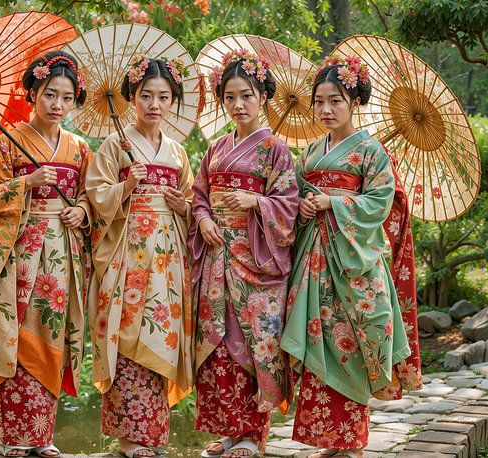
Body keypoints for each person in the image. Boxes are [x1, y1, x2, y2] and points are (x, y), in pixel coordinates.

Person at [0, 50, 92, 457]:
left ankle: (41, 436)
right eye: (50, 94)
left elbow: (90, 200)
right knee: (9, 336)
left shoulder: (80, 149)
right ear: (33, 93)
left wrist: (80, 209)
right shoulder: (6, 142)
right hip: (14, 255)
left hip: (60, 255)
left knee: (51, 335)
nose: (58, 105)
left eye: (67, 97)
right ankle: (5, 437)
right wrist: (27, 182)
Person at [280, 55, 422, 458]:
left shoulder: (372, 151)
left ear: (355, 101)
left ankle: (352, 442)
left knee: (354, 343)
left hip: (354, 262)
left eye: (336, 101)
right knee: (319, 340)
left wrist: (334, 202)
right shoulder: (309, 151)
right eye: (320, 101)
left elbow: (382, 201)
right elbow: (299, 196)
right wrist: (306, 206)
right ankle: (331, 440)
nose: (326, 110)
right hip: (315, 258)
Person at [187, 49, 299, 458]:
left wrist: (257, 203)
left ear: (263, 96)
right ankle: (228, 432)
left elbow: (288, 204)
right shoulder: (215, 148)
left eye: (247, 95)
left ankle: (252, 434)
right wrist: (202, 220)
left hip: (255, 261)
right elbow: (199, 196)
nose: (238, 104)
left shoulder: (276, 150)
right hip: (216, 255)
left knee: (250, 345)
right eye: (230, 96)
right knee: (216, 346)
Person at [85, 55, 195, 458]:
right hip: (127, 252)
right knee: (127, 333)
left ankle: (152, 437)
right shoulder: (115, 145)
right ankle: (129, 439)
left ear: (172, 101)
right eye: (146, 95)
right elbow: (96, 198)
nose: (154, 104)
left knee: (161, 335)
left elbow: (190, 201)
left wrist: (182, 205)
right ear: (132, 97)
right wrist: (126, 186)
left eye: (163, 97)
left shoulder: (178, 152)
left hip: (167, 257)